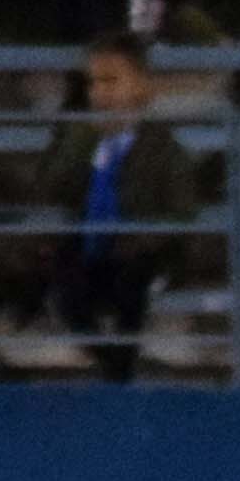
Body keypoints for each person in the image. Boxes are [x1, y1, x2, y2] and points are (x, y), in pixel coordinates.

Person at [34, 29, 202, 374]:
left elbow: (183, 210)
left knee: (131, 284)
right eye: (94, 83)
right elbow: (53, 186)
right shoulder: (81, 137)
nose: (101, 94)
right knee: (67, 287)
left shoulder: (162, 146)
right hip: (91, 243)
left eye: (112, 81)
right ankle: (108, 360)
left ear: (142, 87)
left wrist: (144, 237)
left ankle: (119, 366)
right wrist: (83, 144)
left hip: (140, 249)